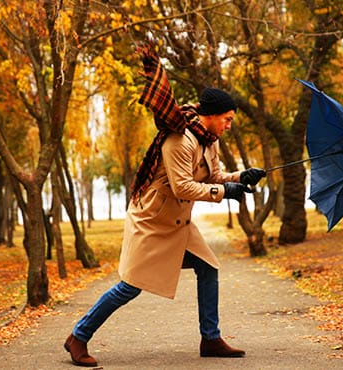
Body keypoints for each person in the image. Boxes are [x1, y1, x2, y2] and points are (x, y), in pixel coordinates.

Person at [64, 46, 266, 368]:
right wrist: (223, 191)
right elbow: (182, 185)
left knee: (208, 268)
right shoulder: (180, 139)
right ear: (210, 116)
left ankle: (210, 339)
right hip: (153, 221)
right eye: (227, 120)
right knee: (130, 286)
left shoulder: (209, 140)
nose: (229, 125)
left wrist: (241, 176)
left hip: (179, 224)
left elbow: (213, 176)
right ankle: (78, 335)